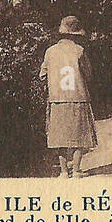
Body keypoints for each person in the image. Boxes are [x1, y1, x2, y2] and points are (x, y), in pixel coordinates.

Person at [39, 15, 97, 178]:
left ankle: (64, 171)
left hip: (57, 99)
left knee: (59, 137)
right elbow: (88, 73)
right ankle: (77, 170)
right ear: (76, 34)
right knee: (80, 135)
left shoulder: (50, 52)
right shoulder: (79, 51)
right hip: (78, 97)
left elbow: (42, 74)